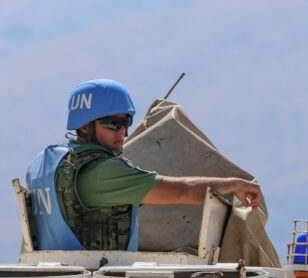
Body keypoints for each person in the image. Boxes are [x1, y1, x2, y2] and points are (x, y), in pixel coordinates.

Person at [26, 79, 262, 251]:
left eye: (126, 122)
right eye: (112, 123)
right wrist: (234, 183)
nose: (122, 131)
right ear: (84, 126)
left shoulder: (42, 164)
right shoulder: (103, 172)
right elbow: (182, 191)